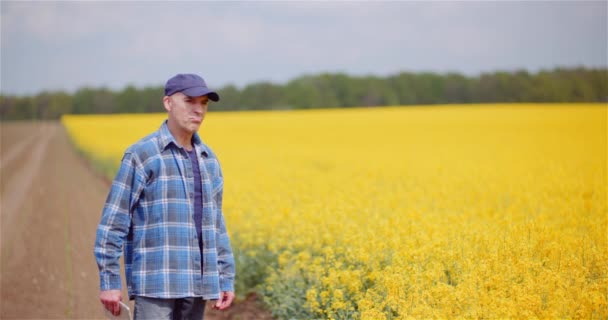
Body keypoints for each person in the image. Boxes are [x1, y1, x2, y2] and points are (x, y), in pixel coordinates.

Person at [94, 73, 235, 320]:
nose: (198, 110)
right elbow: (113, 223)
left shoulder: (209, 160)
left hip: (198, 286)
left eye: (203, 103)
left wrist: (225, 277)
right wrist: (109, 280)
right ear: (168, 103)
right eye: (190, 101)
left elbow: (216, 226)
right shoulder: (142, 155)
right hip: (156, 286)